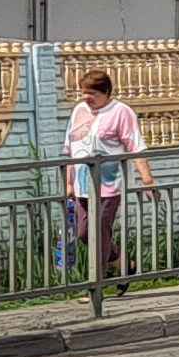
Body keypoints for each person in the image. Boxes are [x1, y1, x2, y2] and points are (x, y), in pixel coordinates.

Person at [62, 67, 151, 273]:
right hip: (82, 185)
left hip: (109, 186)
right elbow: (70, 148)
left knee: (100, 231)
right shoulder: (79, 111)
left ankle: (97, 281)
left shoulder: (121, 112)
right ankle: (122, 263)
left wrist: (147, 179)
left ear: (106, 93)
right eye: (84, 92)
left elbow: (135, 146)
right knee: (84, 233)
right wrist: (69, 182)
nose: (87, 97)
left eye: (92, 93)